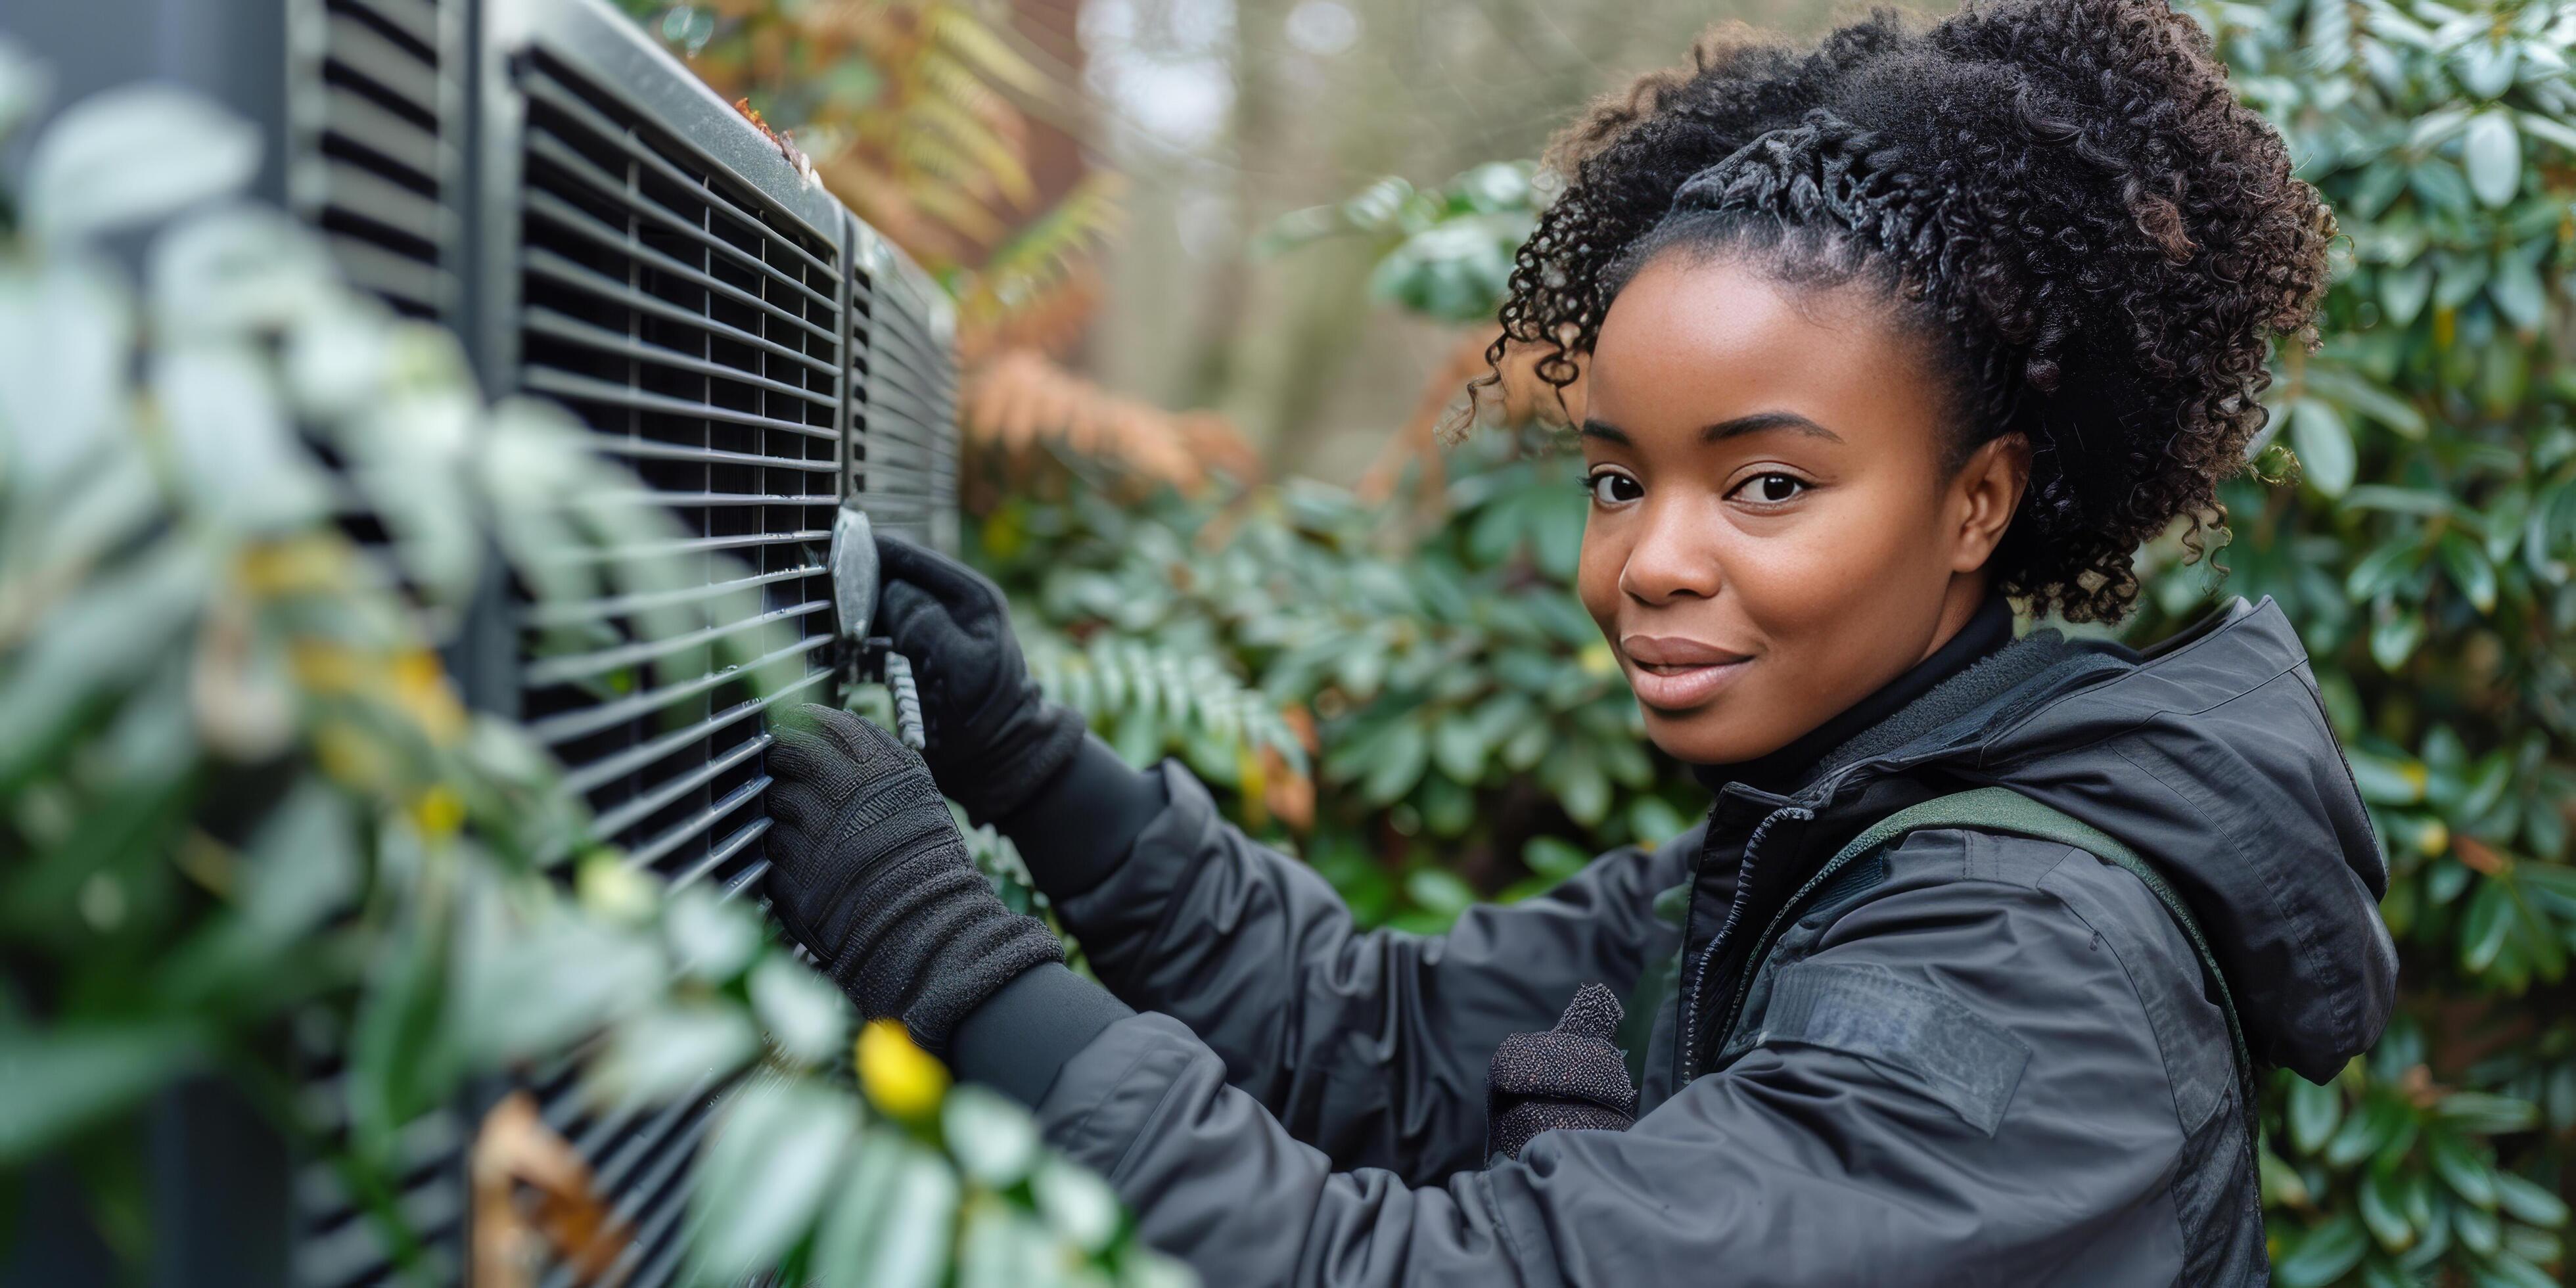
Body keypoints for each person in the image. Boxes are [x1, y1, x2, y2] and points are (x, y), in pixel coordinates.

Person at [756, 0, 2397, 1281]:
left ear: (1976, 502)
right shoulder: (1825, 842)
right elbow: (1376, 1037)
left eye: (1765, 482)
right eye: (1618, 477)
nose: (1648, 561)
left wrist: (962, 972)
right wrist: (1036, 767)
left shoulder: (2018, 976)